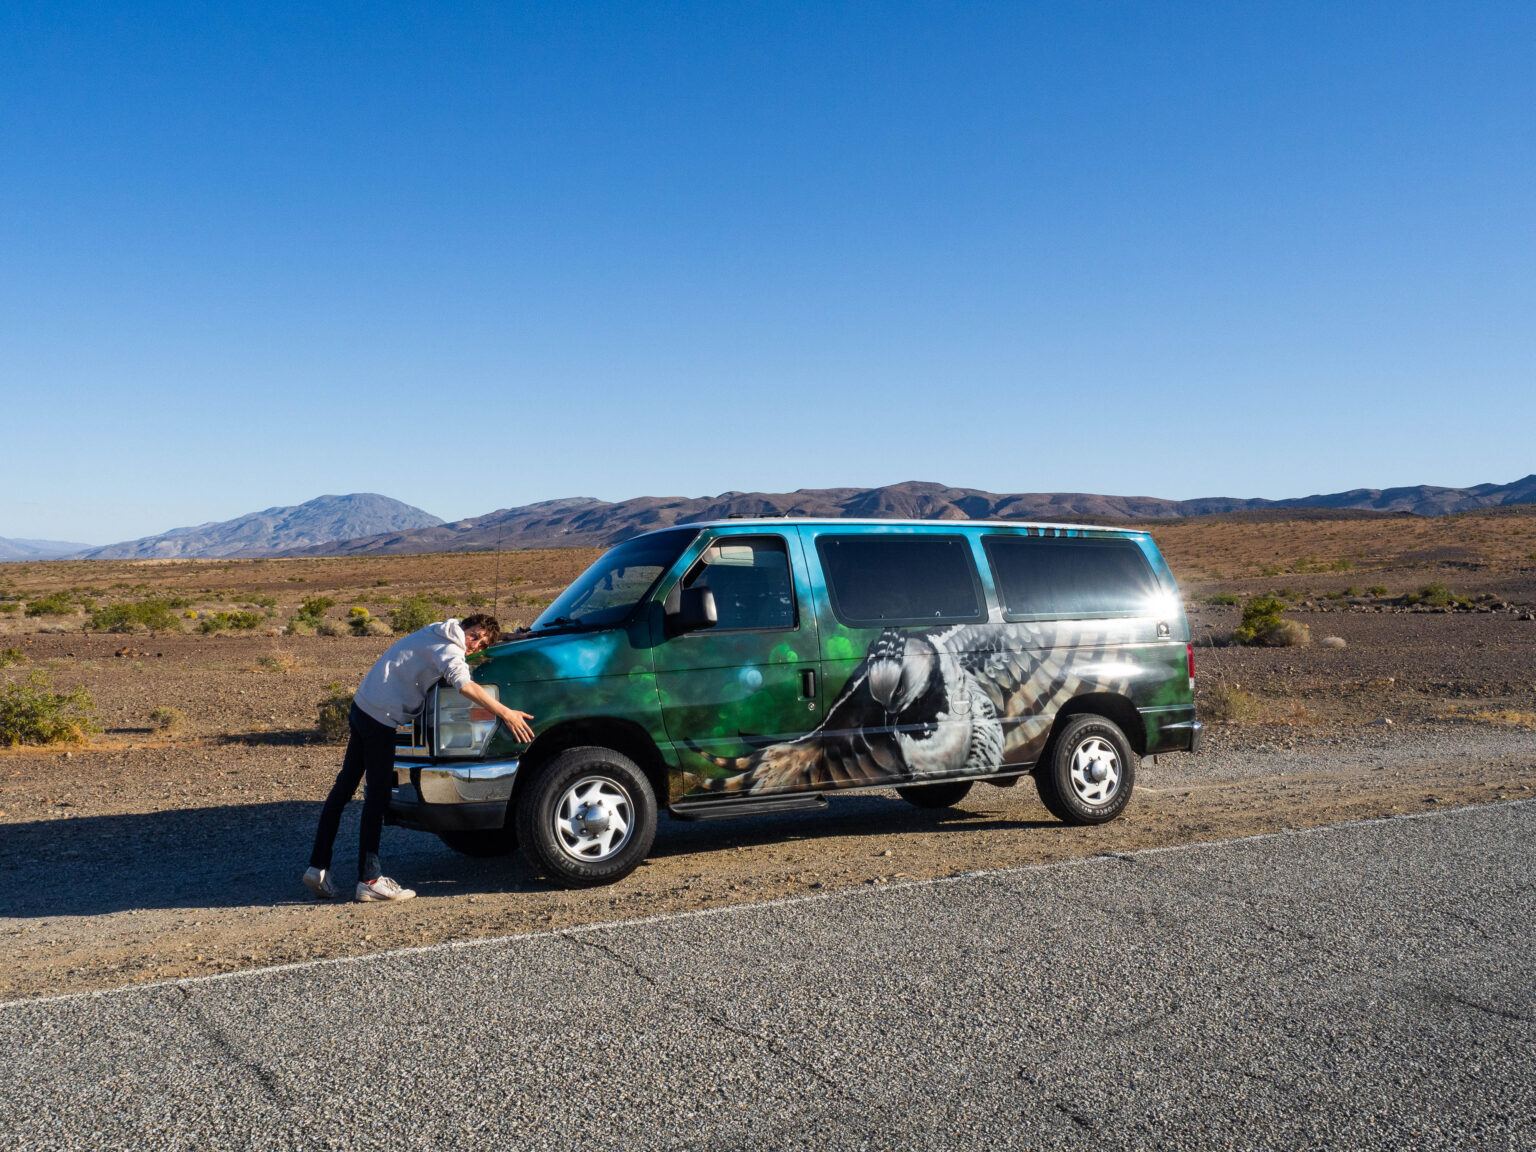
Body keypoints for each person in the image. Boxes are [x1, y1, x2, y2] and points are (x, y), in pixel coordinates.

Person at [302, 613, 534, 902]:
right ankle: (370, 880)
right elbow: (464, 685)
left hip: (362, 707)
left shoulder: (437, 630)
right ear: (464, 628)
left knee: (344, 788)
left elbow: (455, 651)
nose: (474, 644)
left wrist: (513, 637)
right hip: (381, 719)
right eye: (474, 635)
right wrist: (506, 713)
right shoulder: (450, 649)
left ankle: (317, 866)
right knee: (377, 798)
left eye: (481, 643)